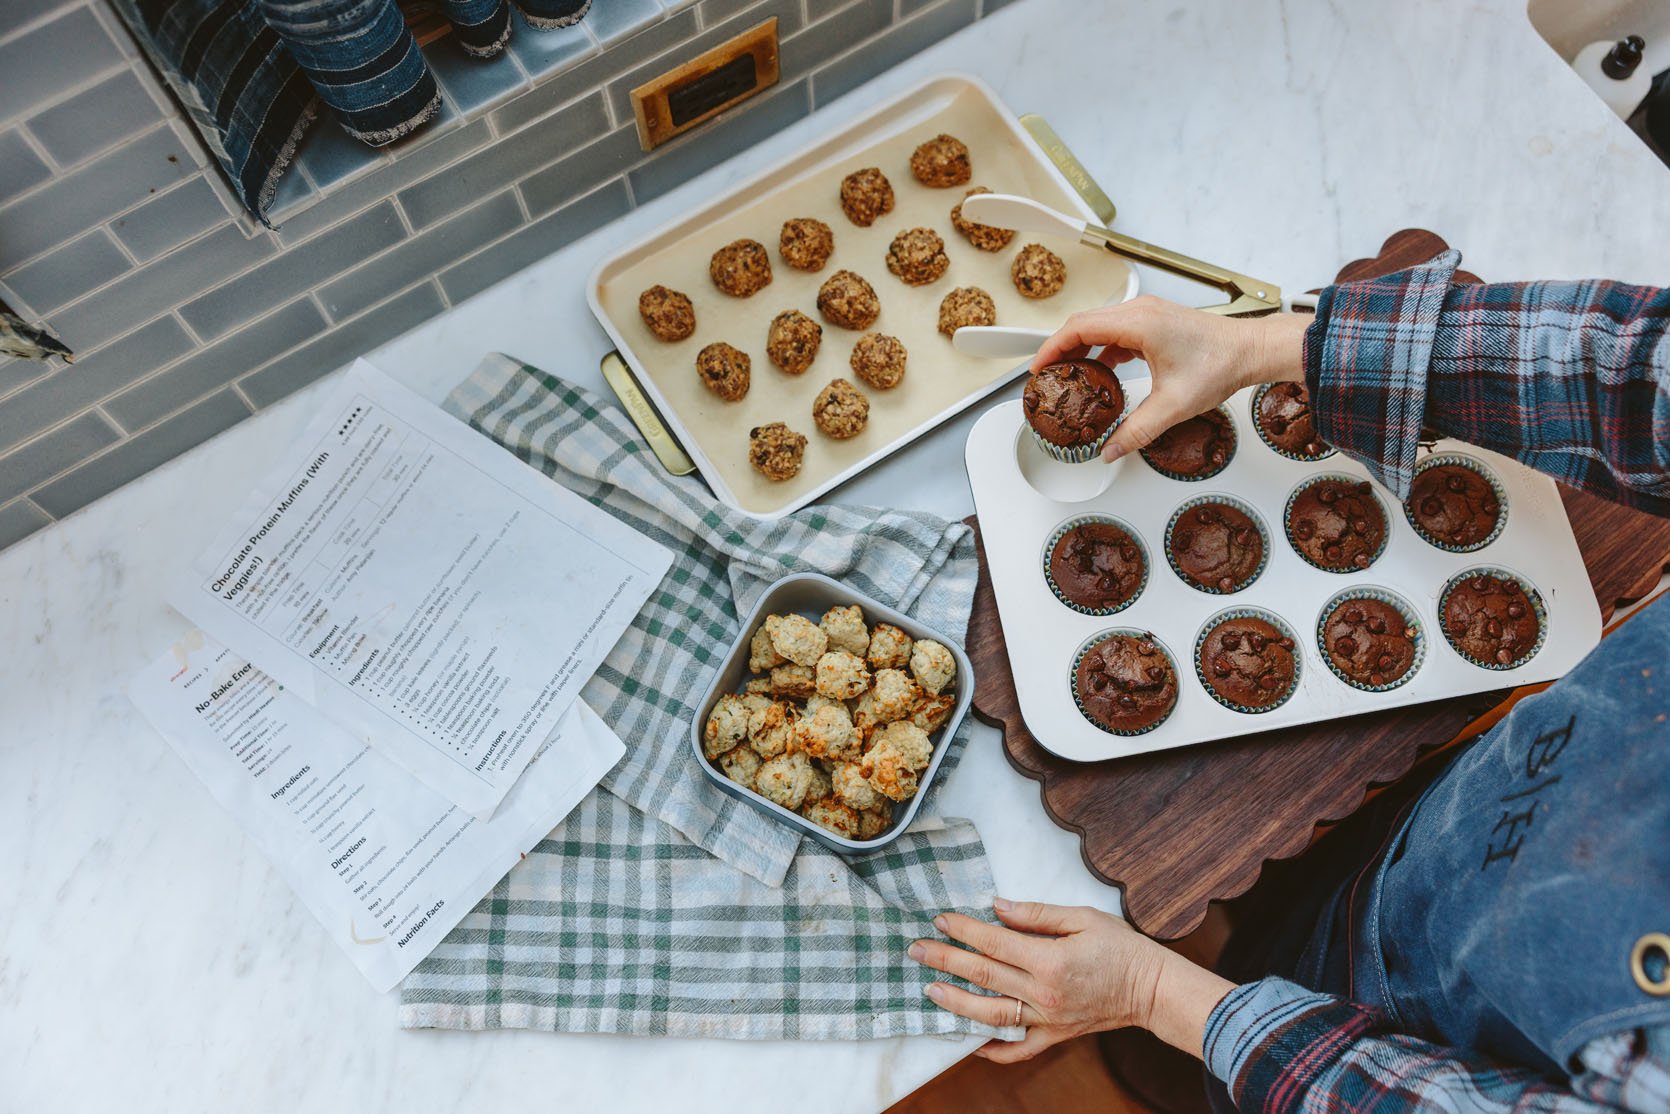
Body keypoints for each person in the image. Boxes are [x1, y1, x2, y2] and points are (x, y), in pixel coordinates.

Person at [907, 250, 1670, 1112]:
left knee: (1236, 1036)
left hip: (1426, 1027)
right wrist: (1275, 349)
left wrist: (1159, 999)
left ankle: (1184, 1065)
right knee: (1310, 900)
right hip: (1486, 799)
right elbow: (1644, 373)